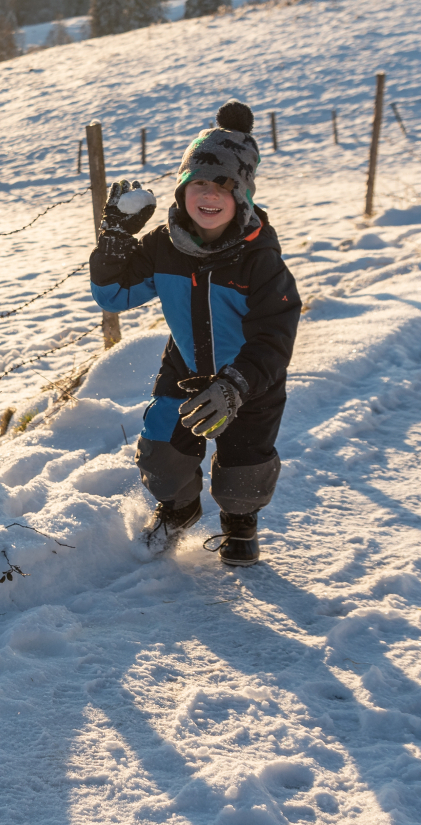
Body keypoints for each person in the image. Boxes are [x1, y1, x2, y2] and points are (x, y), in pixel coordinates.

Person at [88, 101, 300, 566]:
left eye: (223, 185)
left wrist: (237, 385)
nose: (209, 194)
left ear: (242, 194)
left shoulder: (258, 258)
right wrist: (114, 241)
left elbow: (275, 337)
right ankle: (179, 509)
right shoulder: (165, 245)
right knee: (161, 458)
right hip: (184, 371)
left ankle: (240, 524)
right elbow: (112, 295)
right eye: (198, 182)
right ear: (183, 188)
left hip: (250, 382)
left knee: (243, 477)